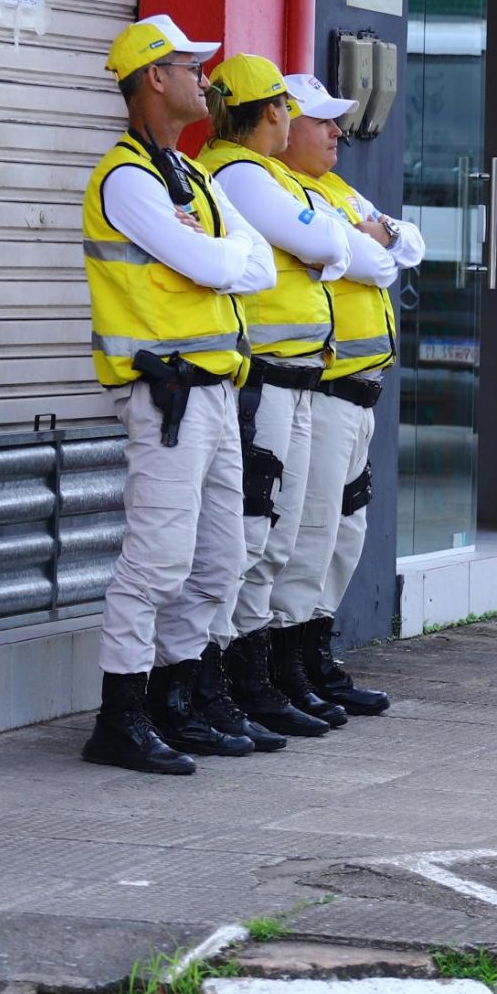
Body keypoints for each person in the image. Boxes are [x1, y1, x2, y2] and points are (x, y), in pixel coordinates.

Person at [80, 15, 278, 776]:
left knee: (220, 558)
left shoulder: (190, 176)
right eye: (190, 67)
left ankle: (177, 700)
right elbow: (209, 260)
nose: (205, 79)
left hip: (216, 395)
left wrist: (220, 258)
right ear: (153, 78)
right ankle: (121, 717)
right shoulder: (126, 179)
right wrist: (222, 258)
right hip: (166, 399)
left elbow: (249, 267)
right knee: (158, 561)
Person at [197, 53, 354, 745]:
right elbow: (324, 245)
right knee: (254, 538)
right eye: (288, 109)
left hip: (292, 383)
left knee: (280, 535)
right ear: (271, 113)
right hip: (263, 383)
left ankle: (253, 678)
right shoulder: (237, 174)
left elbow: (332, 248)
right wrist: (329, 248)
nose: (296, 122)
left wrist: (329, 248)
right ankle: (235, 681)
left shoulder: (256, 174)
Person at [271, 73, 425, 718]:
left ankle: (315, 652)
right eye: (323, 122)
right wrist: (373, 243)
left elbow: (409, 245)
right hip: (325, 386)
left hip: (361, 392)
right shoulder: (283, 189)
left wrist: (376, 242)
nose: (338, 133)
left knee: (346, 530)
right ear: (284, 128)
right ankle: (286, 665)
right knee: (310, 532)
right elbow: (373, 259)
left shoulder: (335, 189)